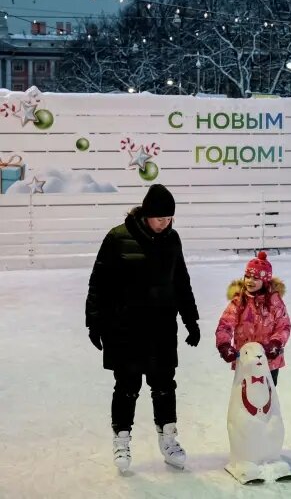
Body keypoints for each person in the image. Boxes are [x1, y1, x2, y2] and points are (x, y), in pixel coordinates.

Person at [85, 184, 200, 472]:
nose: (166, 223)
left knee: (164, 386)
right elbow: (99, 283)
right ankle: (122, 441)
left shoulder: (172, 239)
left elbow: (181, 281)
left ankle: (169, 439)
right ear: (147, 214)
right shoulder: (117, 237)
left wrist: (191, 319)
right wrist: (94, 321)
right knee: (127, 386)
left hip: (162, 327)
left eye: (170, 218)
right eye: (161, 218)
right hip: (125, 328)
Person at [215, 251, 291, 387]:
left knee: (267, 393)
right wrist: (224, 344)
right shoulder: (239, 301)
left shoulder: (274, 301)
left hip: (269, 360)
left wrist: (276, 343)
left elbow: (283, 325)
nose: (250, 281)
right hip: (245, 359)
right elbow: (225, 324)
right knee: (245, 393)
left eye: (256, 278)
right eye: (248, 276)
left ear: (265, 281)